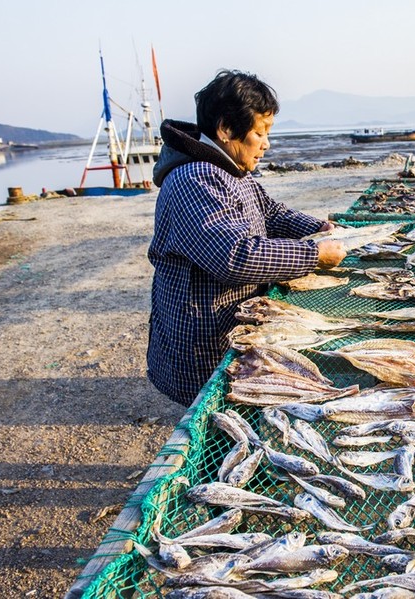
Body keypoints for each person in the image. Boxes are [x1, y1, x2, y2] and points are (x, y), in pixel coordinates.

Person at [146, 69, 346, 406]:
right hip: (203, 342)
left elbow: (271, 213)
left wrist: (318, 228)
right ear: (225, 129)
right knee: (213, 419)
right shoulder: (195, 179)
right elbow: (235, 255)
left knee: (236, 410)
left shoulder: (230, 170)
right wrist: (314, 255)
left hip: (231, 329)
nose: (266, 144)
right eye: (259, 132)